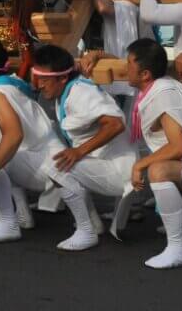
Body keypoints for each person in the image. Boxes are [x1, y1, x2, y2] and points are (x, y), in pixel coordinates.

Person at [0, 37, 97, 248]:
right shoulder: (13, 83)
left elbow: (13, 136)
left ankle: (85, 229)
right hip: (47, 154)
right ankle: (24, 215)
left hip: (45, 162)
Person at [123, 39, 182, 268]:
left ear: (145, 74)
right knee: (155, 166)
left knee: (158, 170)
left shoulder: (163, 94)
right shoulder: (160, 86)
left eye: (128, 64)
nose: (124, 69)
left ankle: (177, 248)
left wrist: (140, 165)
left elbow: (178, 147)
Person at [31, 44, 133, 242]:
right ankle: (93, 225)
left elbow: (115, 125)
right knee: (63, 157)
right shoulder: (69, 86)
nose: (39, 85)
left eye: (44, 80)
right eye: (38, 78)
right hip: (104, 164)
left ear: (62, 78)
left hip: (120, 173)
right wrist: (96, 53)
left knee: (58, 165)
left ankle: (86, 232)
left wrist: (78, 151)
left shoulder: (81, 94)